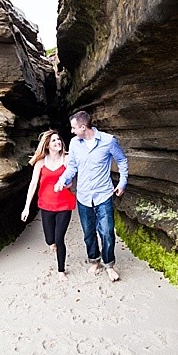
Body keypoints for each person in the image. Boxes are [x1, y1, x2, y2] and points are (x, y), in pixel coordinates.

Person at [54, 110, 128, 282]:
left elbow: (122, 161)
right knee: (88, 232)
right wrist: (62, 180)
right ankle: (94, 260)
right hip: (83, 196)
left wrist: (122, 182)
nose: (71, 131)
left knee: (107, 232)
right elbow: (71, 167)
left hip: (103, 194)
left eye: (73, 128)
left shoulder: (108, 141)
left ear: (83, 127)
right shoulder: (74, 144)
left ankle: (109, 264)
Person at [21, 130, 77, 277]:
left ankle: (61, 270)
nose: (57, 142)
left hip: (64, 204)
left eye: (58, 139)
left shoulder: (67, 159)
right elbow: (33, 184)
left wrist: (64, 185)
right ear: (47, 145)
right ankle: (52, 244)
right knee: (49, 239)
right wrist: (26, 207)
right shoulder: (40, 163)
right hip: (46, 205)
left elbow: (71, 180)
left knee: (59, 239)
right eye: (53, 140)